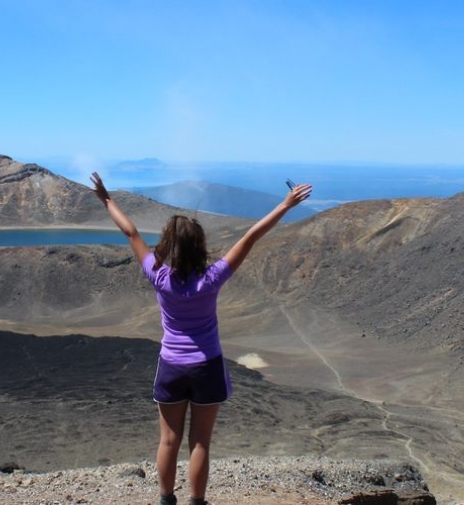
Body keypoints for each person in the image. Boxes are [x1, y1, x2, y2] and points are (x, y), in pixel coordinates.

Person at [90, 173, 312, 505]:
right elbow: (250, 237)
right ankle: (197, 502)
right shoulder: (211, 278)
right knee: (200, 443)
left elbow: (131, 231)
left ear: (167, 246)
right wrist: (285, 204)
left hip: (171, 367)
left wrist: (106, 199)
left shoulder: (158, 276)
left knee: (168, 442)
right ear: (199, 246)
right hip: (207, 366)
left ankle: (166, 500)